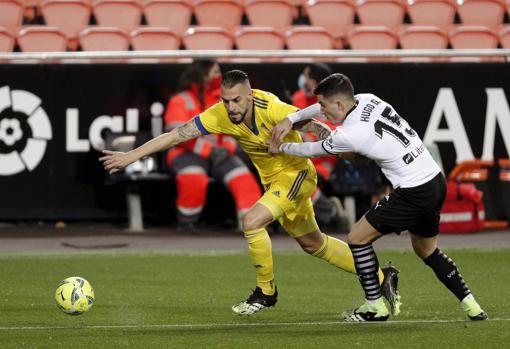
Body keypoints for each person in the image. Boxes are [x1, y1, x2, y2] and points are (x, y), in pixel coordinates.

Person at [99, 70, 400, 316]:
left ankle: (266, 291)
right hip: (275, 183)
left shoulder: (272, 109)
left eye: (237, 101)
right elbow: (176, 135)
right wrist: (130, 156)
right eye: (226, 100)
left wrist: (342, 146)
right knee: (313, 244)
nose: (231, 107)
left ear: (250, 95)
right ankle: (382, 277)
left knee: (252, 221)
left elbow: (314, 126)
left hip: (296, 175)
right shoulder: (220, 114)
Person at [269, 73, 487, 322]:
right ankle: (472, 305)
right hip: (434, 180)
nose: (321, 111)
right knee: (427, 250)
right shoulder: (368, 99)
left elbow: (311, 150)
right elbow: (322, 118)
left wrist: (281, 148)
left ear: (339, 104)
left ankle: (375, 306)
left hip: (413, 190)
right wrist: (292, 117)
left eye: (324, 106)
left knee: (357, 238)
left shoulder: (350, 134)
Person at [164, 61, 261, 229]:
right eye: (215, 72)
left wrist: (228, 148)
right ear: (203, 74)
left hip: (220, 154)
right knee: (194, 179)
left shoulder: (222, 99)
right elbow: (178, 135)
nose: (220, 76)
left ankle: (253, 227)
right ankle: (186, 225)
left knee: (244, 181)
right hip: (185, 153)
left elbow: (236, 129)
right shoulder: (180, 100)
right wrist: (209, 151)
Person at [292, 63, 347, 230]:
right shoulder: (298, 98)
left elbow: (337, 138)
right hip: (299, 157)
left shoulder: (336, 103)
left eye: (306, 76)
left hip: (324, 161)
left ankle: (330, 212)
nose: (303, 80)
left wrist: (308, 138)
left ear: (315, 82)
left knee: (297, 180)